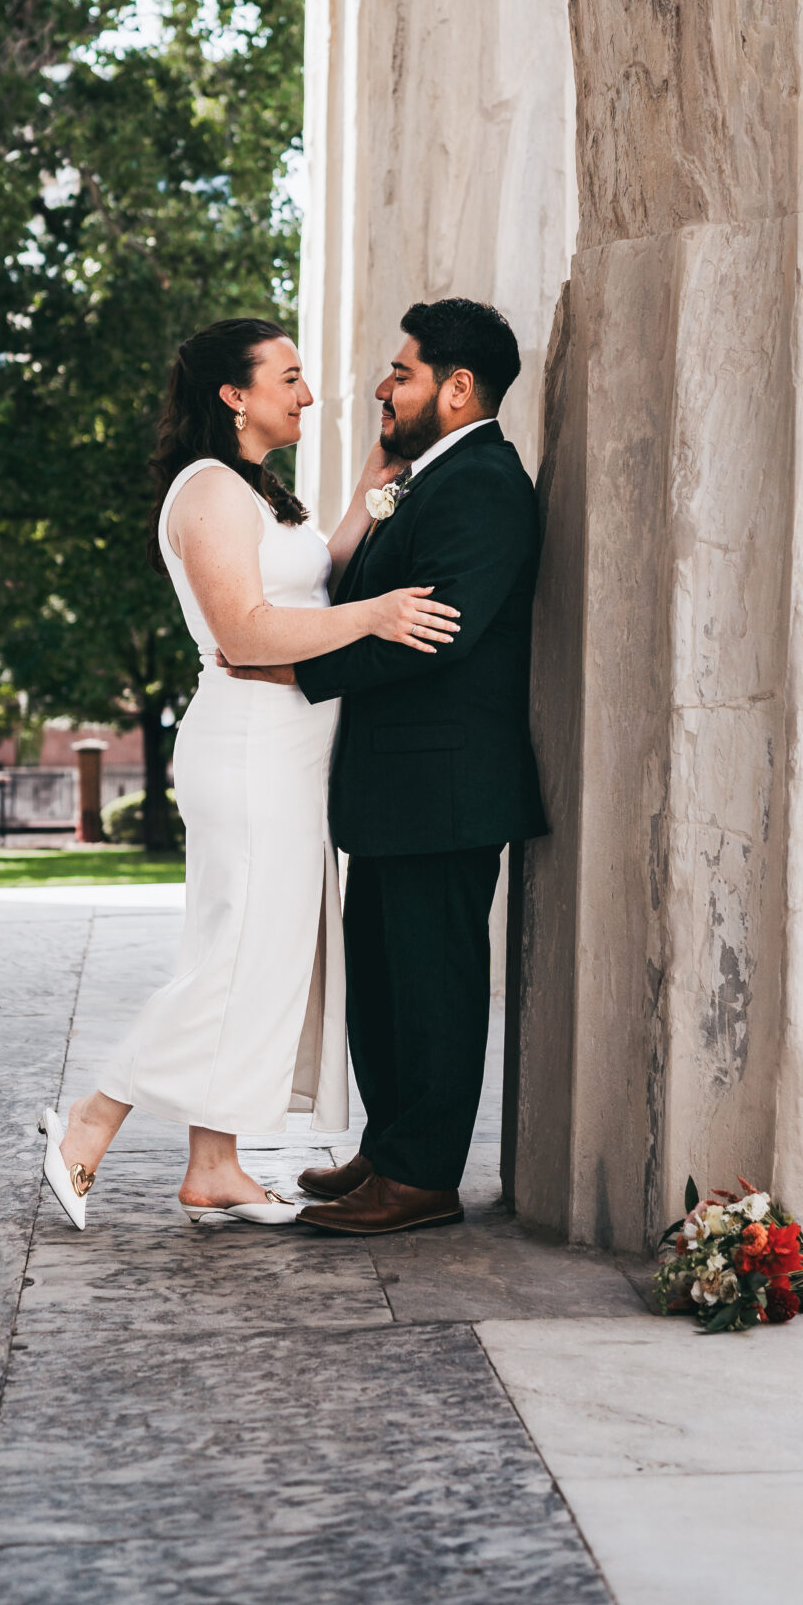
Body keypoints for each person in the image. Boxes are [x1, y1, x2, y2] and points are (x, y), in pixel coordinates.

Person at [38, 317, 462, 1229]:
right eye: (290, 377)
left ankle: (215, 1165)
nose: (308, 395)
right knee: (235, 958)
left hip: (290, 747)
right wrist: (377, 616)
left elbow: (311, 584)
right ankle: (92, 1118)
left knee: (257, 956)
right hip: (248, 747)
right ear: (234, 394)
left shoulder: (252, 489)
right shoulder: (206, 493)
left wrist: (363, 499)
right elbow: (245, 633)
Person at [228, 298, 548, 1238]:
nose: (380, 384)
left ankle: (423, 1177)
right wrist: (373, 491)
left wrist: (288, 665)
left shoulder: (484, 483)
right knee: (383, 977)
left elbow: (432, 638)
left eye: (401, 372)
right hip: (396, 784)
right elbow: (360, 593)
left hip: (443, 784)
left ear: (457, 388)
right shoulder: (425, 476)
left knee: (433, 984)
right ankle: (390, 1145)